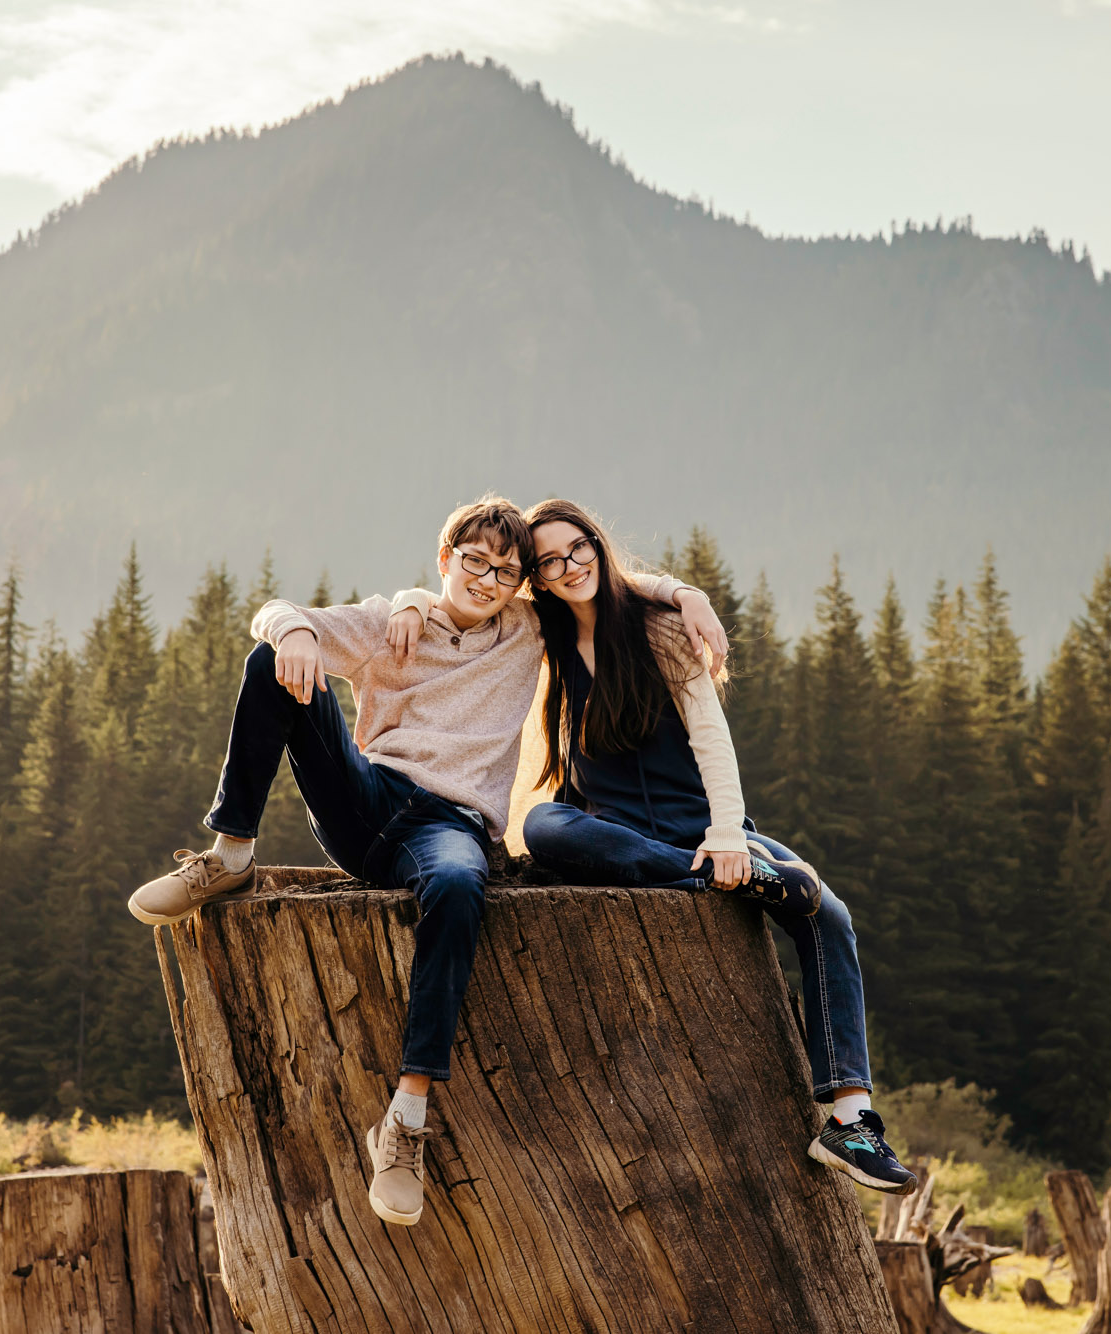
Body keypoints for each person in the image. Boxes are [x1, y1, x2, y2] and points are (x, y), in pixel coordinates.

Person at [128, 495, 727, 1226]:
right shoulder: (390, 622)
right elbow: (275, 614)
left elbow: (593, 581)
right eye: (474, 562)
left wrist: (685, 593)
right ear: (445, 559)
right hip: (369, 799)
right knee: (273, 661)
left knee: (457, 884)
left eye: (506, 571)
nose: (488, 580)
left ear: (518, 585)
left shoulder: (527, 630)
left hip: (450, 826)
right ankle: (230, 854)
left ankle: (406, 1121)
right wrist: (296, 631)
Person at [506, 498, 915, 1194]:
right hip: (618, 832)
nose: (568, 566)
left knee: (829, 913)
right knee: (544, 827)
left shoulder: (661, 633)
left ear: (598, 546)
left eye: (577, 548)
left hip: (700, 827)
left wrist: (727, 836)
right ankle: (710, 879)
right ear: (537, 578)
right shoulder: (539, 638)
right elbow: (463, 603)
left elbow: (710, 740)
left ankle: (850, 1123)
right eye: (548, 560)